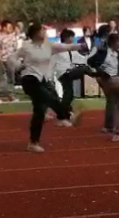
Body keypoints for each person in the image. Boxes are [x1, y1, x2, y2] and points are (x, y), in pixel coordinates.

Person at [15, 23, 86, 153]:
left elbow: (65, 46)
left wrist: (80, 46)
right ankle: (67, 116)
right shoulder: (26, 46)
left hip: (42, 79)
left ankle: (33, 142)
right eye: (42, 29)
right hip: (29, 79)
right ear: (35, 33)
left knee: (39, 111)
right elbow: (13, 57)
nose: (45, 31)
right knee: (49, 98)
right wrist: (17, 66)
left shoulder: (49, 46)